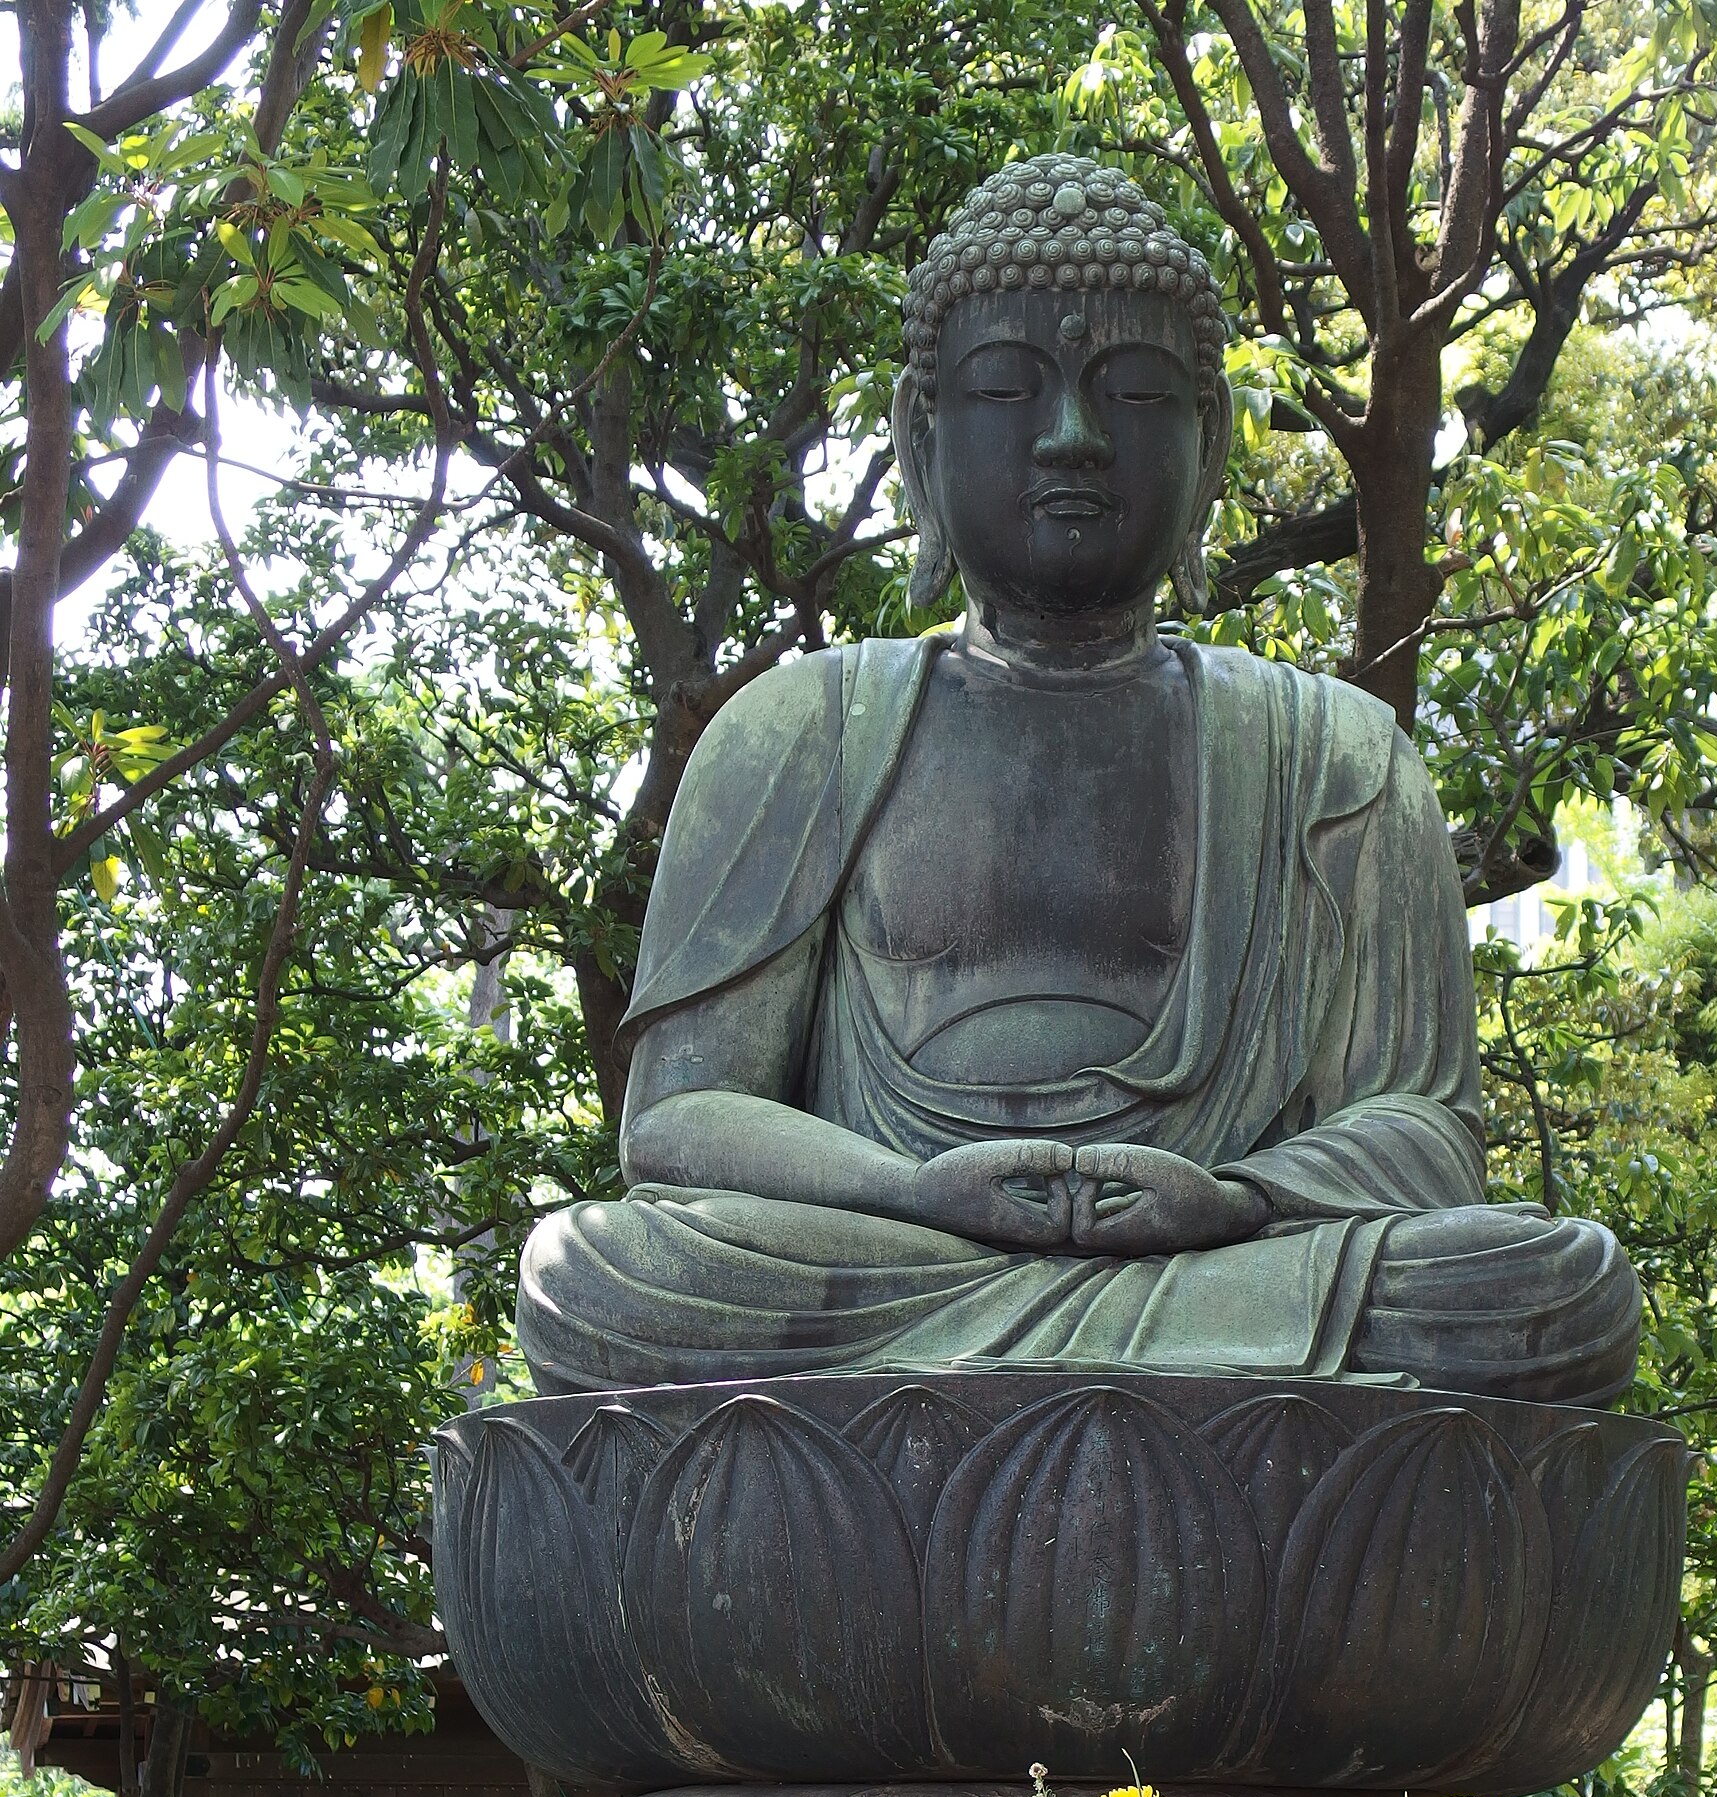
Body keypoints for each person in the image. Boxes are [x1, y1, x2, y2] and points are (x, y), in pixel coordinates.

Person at [518, 154, 1640, 1404]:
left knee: (1547, 1284)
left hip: (1225, 1271)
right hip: (894, 1265)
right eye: (1006, 389)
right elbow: (675, 1125)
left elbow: (1426, 1137)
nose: (1071, 438)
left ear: (1208, 441)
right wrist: (914, 1190)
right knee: (593, 1269)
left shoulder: (1337, 756)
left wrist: (1230, 1197)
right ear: (916, 432)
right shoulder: (804, 726)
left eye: (1134, 392)